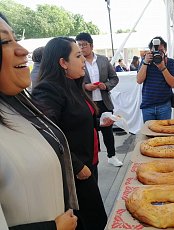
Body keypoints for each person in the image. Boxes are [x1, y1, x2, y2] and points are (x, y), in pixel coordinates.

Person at [0, 13, 78, 229]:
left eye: (15, 39)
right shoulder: (47, 90)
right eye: (5, 42)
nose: (22, 50)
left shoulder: (16, 104)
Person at [31, 36, 108, 229]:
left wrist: (100, 122)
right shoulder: (48, 89)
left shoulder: (74, 85)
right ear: (63, 62)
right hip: (74, 173)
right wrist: (76, 165)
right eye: (78, 56)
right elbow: (45, 132)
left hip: (89, 163)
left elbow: (76, 122)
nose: (84, 60)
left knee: (96, 219)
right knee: (89, 221)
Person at [75, 32, 123, 167]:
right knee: (90, 132)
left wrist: (105, 86)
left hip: (104, 101)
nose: (82, 48)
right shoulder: (77, 62)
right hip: (87, 103)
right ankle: (91, 159)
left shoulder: (103, 60)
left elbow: (114, 78)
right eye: (79, 45)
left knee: (108, 130)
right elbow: (73, 83)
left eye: (84, 45)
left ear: (91, 45)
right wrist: (85, 87)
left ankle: (112, 156)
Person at [137, 36, 174, 122]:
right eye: (155, 51)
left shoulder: (170, 62)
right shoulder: (145, 62)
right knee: (149, 133)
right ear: (150, 51)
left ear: (165, 51)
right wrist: (145, 63)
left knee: (164, 133)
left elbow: (173, 84)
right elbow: (139, 80)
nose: (158, 53)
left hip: (164, 105)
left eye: (160, 51)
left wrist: (163, 68)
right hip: (148, 105)